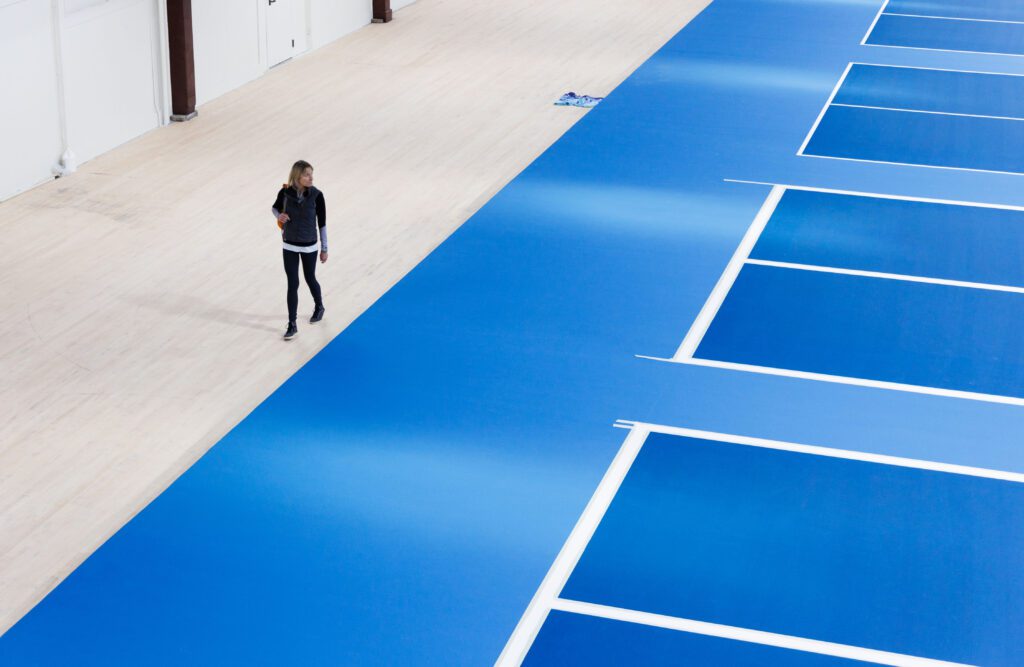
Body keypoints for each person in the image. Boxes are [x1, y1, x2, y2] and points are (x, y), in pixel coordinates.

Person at [272, 160, 328, 339]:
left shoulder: (317, 195)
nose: (311, 178)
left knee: (310, 278)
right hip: (289, 244)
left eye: (311, 174)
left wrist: (324, 248)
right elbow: (274, 208)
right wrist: (279, 215)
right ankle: (292, 324)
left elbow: (322, 224)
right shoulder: (285, 193)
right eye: (307, 175)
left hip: (309, 245)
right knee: (292, 283)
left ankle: (319, 306)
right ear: (297, 177)